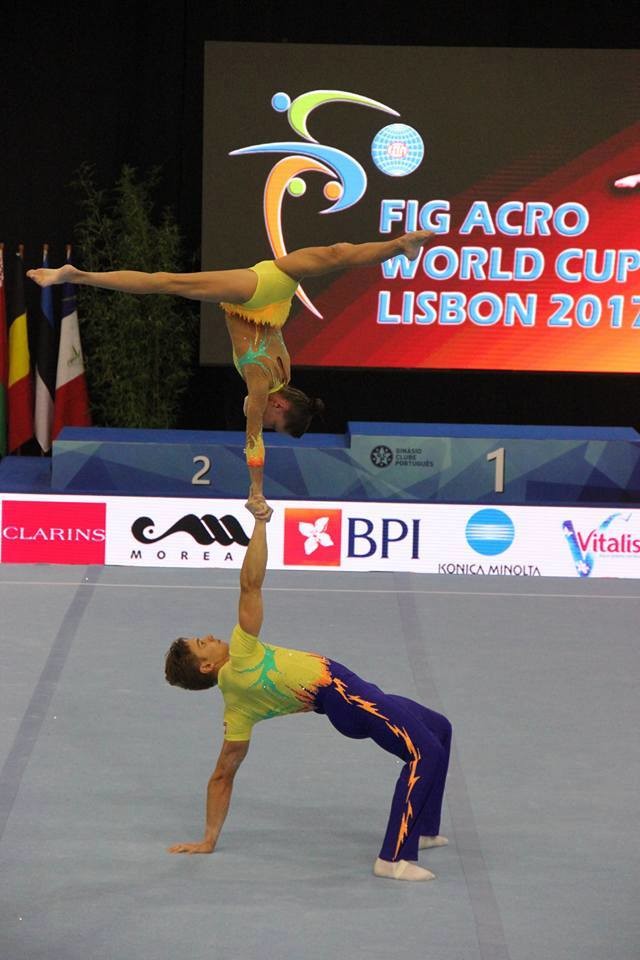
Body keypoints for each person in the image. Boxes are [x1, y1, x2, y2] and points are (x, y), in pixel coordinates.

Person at [164, 495, 452, 882]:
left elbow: (223, 775)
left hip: (351, 697)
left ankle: (424, 828)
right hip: (348, 698)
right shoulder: (242, 657)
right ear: (207, 666)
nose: (212, 637)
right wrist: (261, 523)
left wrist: (208, 838)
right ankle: (392, 858)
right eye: (204, 643)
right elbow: (250, 584)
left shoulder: (235, 706)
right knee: (424, 753)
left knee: (439, 728)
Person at [27, 231, 433, 498]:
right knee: (165, 282)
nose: (266, 421)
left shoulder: (285, 375)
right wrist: (256, 491)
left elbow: (260, 420)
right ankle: (77, 276)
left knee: (337, 253)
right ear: (280, 406)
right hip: (255, 296)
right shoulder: (260, 382)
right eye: (275, 422)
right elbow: (253, 441)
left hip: (278, 289)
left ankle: (399, 245)